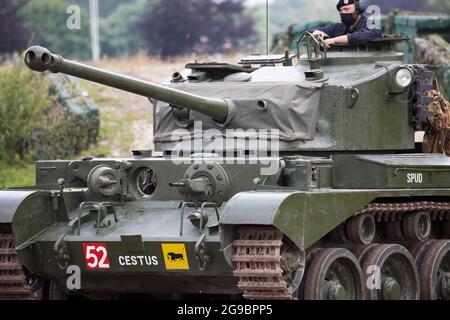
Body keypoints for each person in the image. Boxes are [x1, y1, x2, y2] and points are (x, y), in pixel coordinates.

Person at [312, 0, 382, 49]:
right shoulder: (338, 27)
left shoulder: (372, 25)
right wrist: (316, 32)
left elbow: (361, 36)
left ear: (358, 9)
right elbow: (311, 31)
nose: (342, 13)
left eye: (346, 9)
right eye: (341, 11)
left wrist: (334, 40)